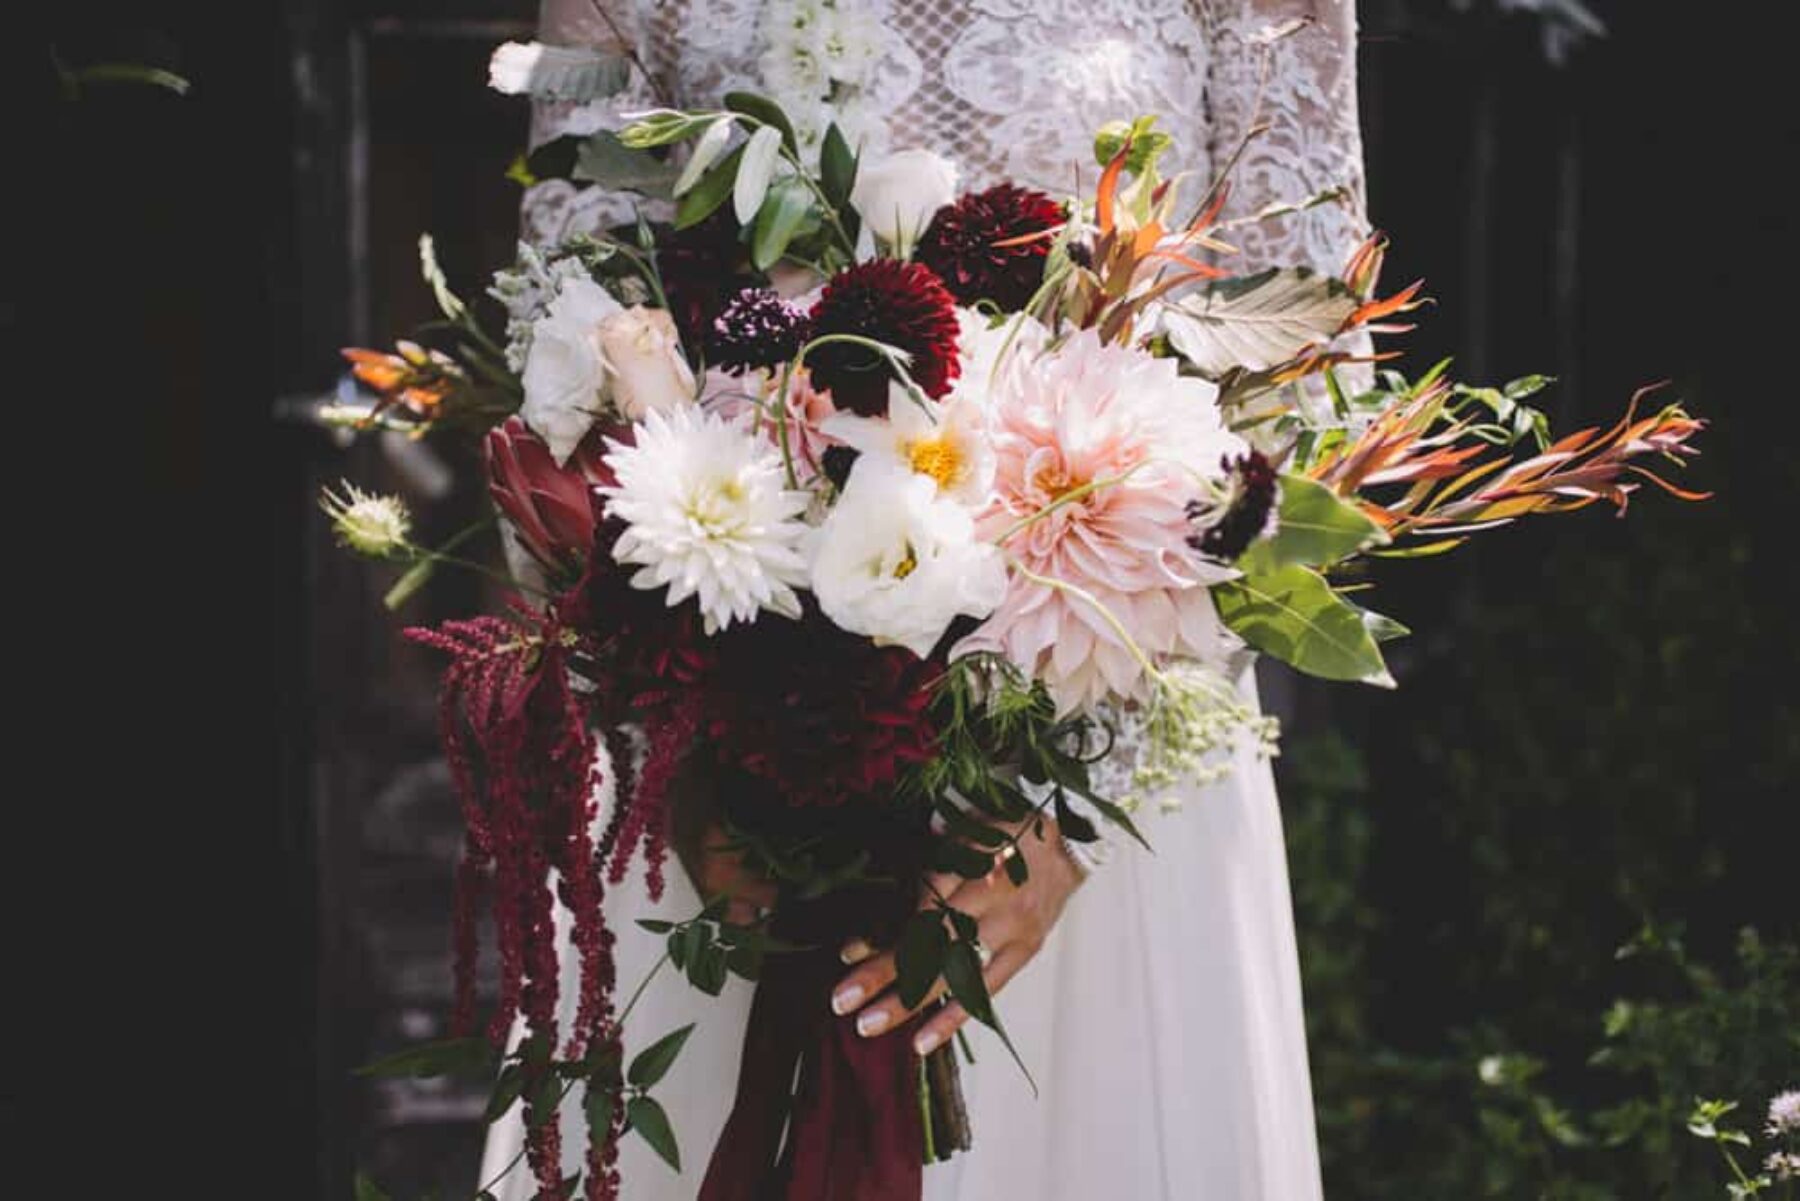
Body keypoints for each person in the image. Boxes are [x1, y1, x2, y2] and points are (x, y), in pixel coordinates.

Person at [483, 3, 1368, 1197]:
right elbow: (573, 352)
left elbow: (1301, 391)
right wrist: (689, 768)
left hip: (1096, 777)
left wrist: (1080, 795)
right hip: (734, 772)